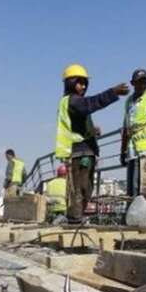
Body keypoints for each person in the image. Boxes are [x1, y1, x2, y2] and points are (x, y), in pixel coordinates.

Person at [54, 64, 129, 223]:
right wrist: (112, 93)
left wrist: (92, 130)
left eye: (84, 83)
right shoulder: (73, 101)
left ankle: (76, 217)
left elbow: (77, 124)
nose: (83, 86)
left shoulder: (73, 103)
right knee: (79, 189)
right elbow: (90, 104)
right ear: (70, 83)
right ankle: (74, 220)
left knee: (86, 188)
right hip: (77, 151)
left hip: (85, 150)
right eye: (79, 82)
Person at [120, 69, 146, 209]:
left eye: (145, 82)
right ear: (133, 83)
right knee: (132, 187)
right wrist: (123, 150)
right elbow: (126, 128)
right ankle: (132, 215)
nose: (142, 85)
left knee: (144, 187)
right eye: (139, 82)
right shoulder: (129, 102)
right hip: (132, 151)